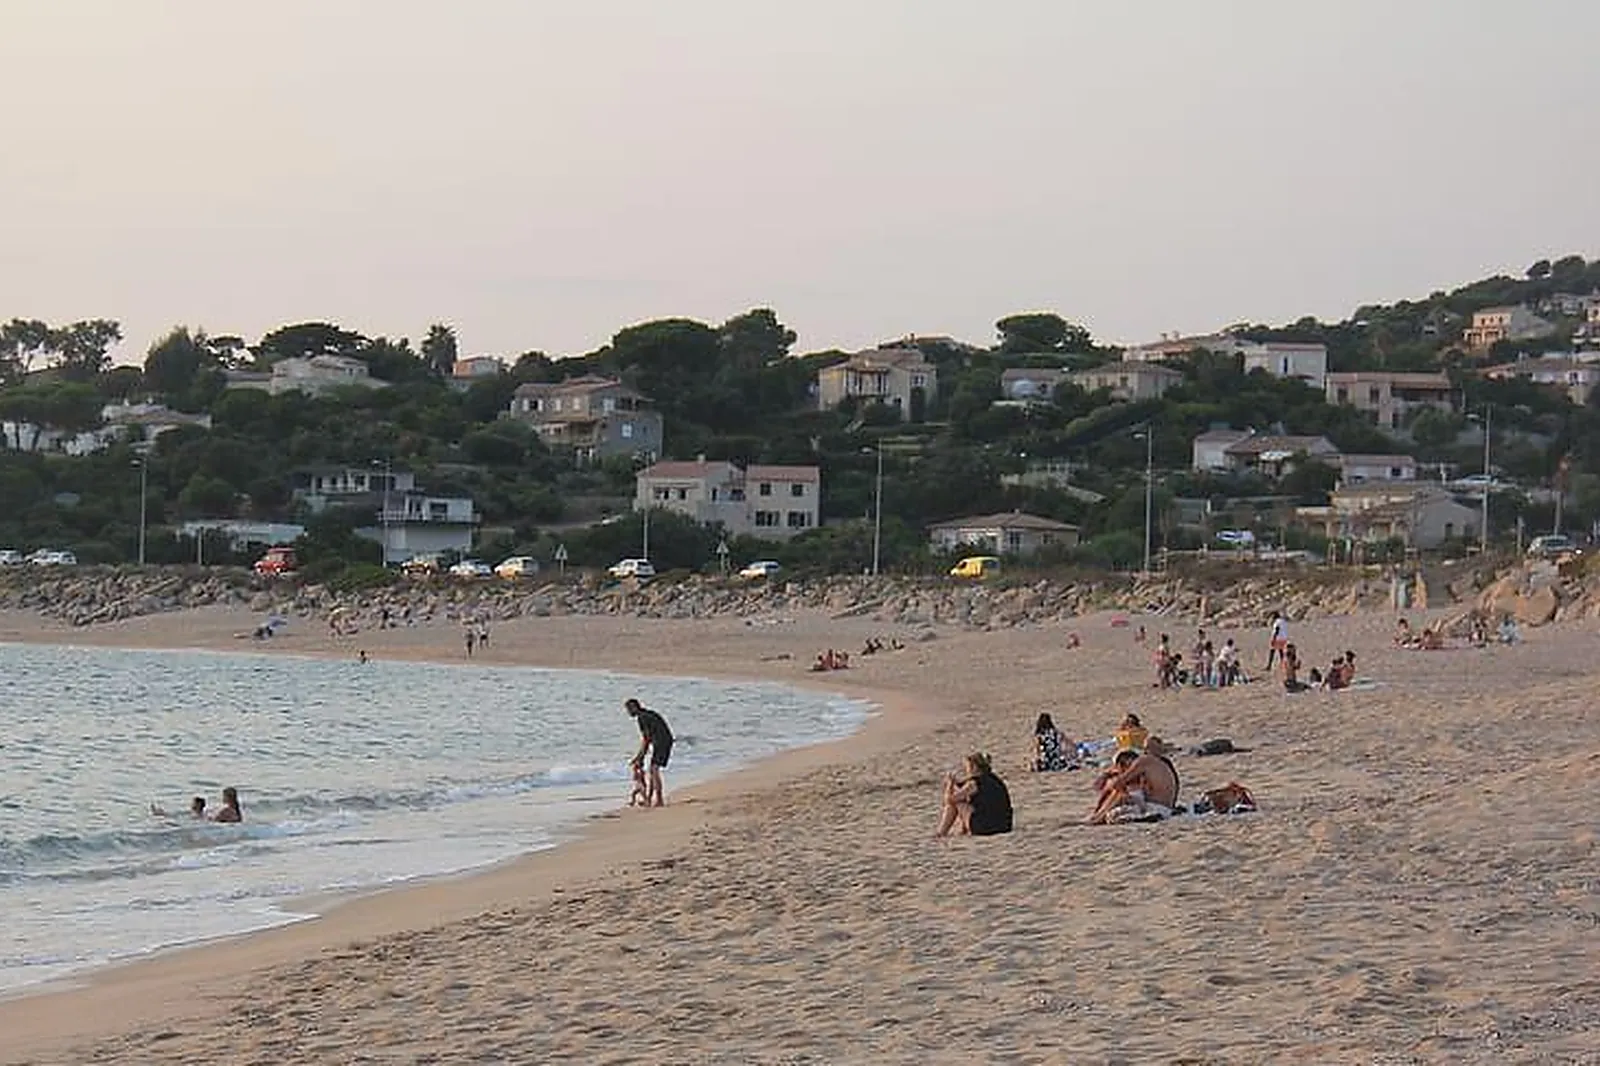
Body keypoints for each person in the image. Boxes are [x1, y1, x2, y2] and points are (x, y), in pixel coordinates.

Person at [1089, 737, 1180, 824]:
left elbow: (1118, 783)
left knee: (1119, 794)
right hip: (1167, 808)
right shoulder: (1165, 763)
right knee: (1122, 791)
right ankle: (1097, 816)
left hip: (1155, 808)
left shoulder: (1145, 761)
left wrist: (1108, 775)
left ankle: (1097, 817)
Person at [935, 752, 1012, 838]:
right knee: (968, 802)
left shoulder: (974, 783)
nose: (966, 770)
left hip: (985, 828)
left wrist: (950, 784)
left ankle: (941, 832)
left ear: (974, 767)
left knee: (958, 802)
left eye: (967, 767)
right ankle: (962, 830)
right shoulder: (994, 779)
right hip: (1004, 825)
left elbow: (949, 800)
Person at [625, 698, 674, 807]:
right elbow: (649, 738)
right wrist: (640, 757)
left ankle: (659, 800)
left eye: (628, 710)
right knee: (652, 770)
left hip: (662, 742)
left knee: (654, 770)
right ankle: (650, 799)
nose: (628, 712)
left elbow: (646, 739)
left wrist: (639, 757)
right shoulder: (648, 713)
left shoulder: (642, 718)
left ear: (633, 707)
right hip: (664, 740)